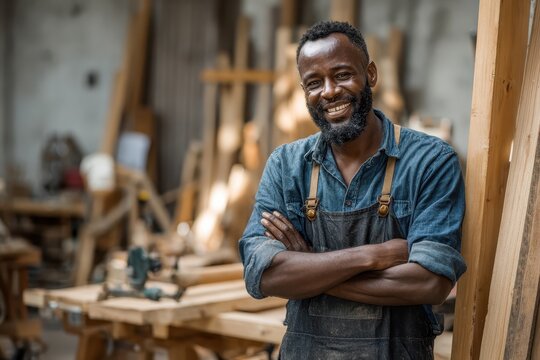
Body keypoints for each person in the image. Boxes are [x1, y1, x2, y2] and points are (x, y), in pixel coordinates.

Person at [239, 20, 466, 359]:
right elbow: (264, 275)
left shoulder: (430, 161)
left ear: (370, 74)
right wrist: (373, 256)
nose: (329, 91)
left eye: (342, 74)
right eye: (314, 83)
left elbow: (430, 284)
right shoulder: (286, 166)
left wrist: (308, 267)